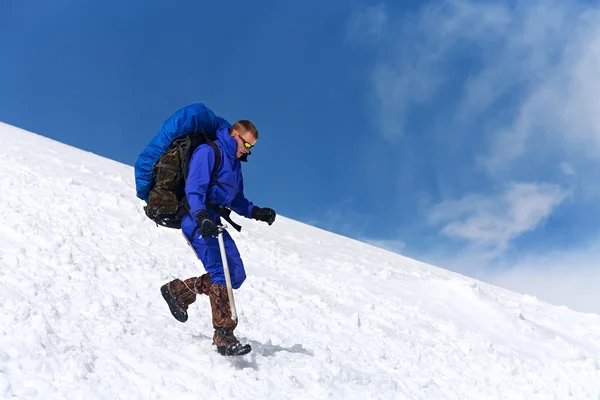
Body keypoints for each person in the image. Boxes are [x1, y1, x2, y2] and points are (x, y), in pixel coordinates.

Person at [154, 104, 276, 356]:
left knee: (236, 275)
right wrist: (201, 217)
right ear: (234, 135)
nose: (249, 150)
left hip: (213, 219)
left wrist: (256, 212)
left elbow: (236, 199)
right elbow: (194, 189)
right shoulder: (208, 151)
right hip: (195, 217)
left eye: (252, 147)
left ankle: (179, 291)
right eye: (248, 144)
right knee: (221, 272)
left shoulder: (234, 165)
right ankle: (224, 334)